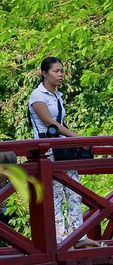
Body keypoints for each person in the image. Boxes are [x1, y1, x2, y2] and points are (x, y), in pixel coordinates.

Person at [28, 57, 87, 243]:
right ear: (44, 73)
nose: (60, 74)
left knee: (74, 191)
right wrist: (76, 137)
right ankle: (60, 240)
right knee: (55, 194)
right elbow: (49, 122)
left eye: (61, 70)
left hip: (62, 148)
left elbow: (59, 123)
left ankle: (79, 236)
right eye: (55, 71)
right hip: (46, 151)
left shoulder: (57, 96)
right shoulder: (38, 95)